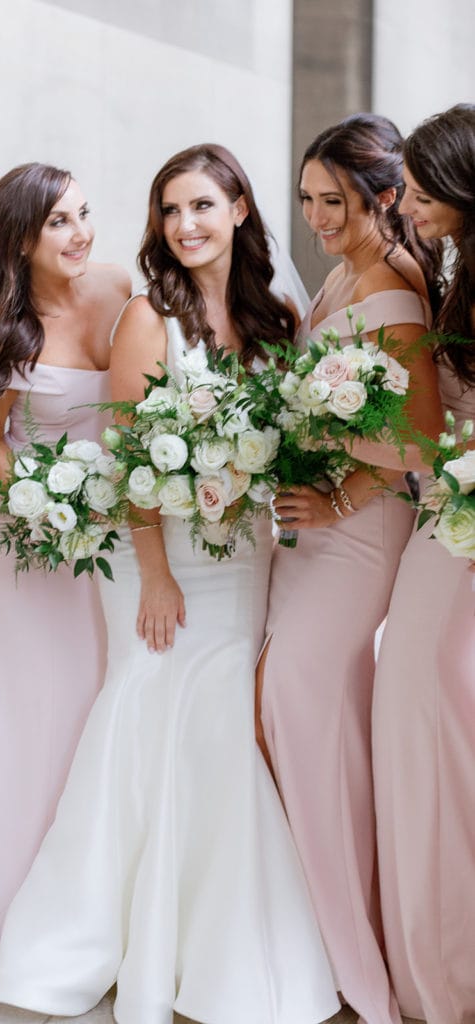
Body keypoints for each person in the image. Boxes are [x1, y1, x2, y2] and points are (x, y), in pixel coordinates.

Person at [0, 144, 340, 1024]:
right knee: (147, 706)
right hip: (162, 555)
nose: (184, 226)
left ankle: (212, 937)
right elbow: (132, 453)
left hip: (242, 554)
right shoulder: (150, 318)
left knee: (223, 724)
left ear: (240, 212)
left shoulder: (279, 318)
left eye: (201, 208)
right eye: (169, 211)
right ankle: (112, 929)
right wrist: (150, 574)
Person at [255, 114, 446, 1024]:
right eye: (306, 199)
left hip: (360, 537)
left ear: (383, 197)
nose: (317, 216)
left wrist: (335, 496)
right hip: (309, 541)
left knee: (298, 705)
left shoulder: (398, 290)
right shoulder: (338, 274)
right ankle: (324, 946)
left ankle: (354, 973)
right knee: (309, 725)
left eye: (335, 200)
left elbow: (422, 438)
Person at [0, 163, 130, 953]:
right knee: (39, 708)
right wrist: (37, 506)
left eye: (85, 215)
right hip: (20, 535)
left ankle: (93, 896)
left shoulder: (117, 287)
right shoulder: (0, 318)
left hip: (109, 537)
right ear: (21, 237)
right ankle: (22, 902)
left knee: (100, 702)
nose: (81, 234)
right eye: (59, 222)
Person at [370, 103, 475, 1024]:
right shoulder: (447, 269)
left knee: (433, 717)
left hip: (457, 527)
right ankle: (433, 969)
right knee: (418, 717)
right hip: (446, 522)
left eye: (416, 185)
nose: (401, 200)